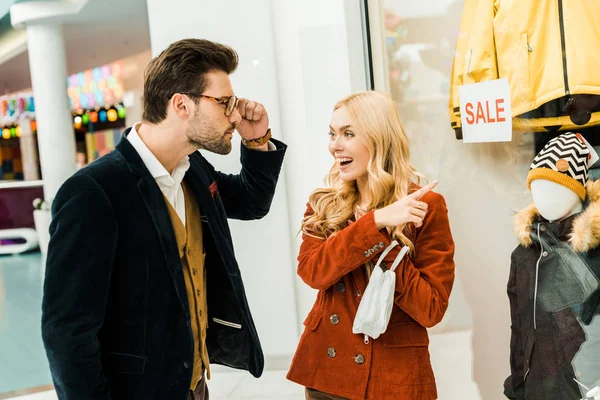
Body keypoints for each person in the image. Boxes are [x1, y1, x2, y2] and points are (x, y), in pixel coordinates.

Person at [41, 38, 287, 400]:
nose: (235, 115)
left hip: (194, 386)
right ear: (181, 104)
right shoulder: (94, 191)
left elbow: (251, 203)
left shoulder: (194, 170)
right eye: (224, 103)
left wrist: (257, 141)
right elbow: (67, 332)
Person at [286, 91, 455, 400]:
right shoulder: (325, 203)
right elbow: (313, 272)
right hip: (329, 375)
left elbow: (431, 308)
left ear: (378, 138)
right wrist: (373, 222)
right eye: (333, 133)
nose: (335, 145)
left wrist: (389, 240)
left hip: (395, 378)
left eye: (348, 134)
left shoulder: (425, 204)